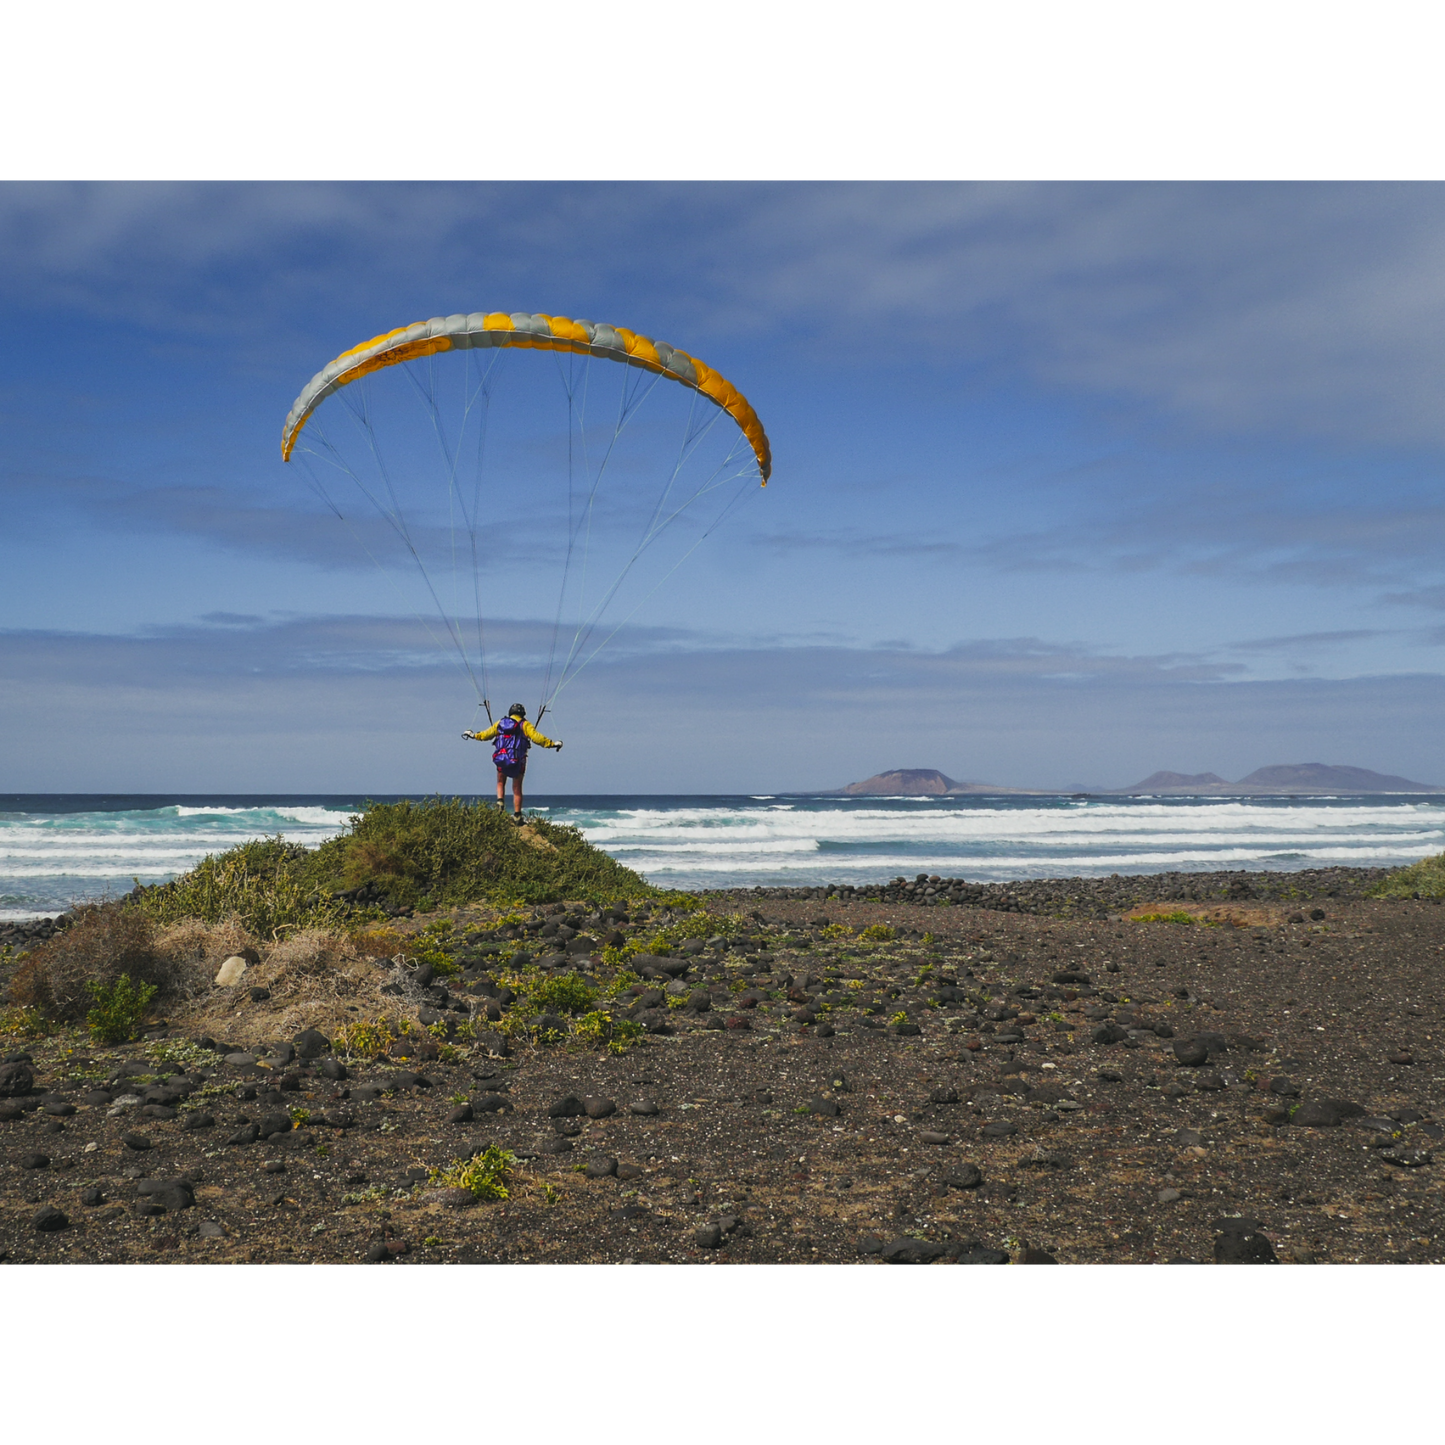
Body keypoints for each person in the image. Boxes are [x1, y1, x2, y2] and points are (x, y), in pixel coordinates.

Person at [463, 704, 562, 819]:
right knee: (517, 788)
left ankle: (500, 802)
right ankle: (517, 815)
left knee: (500, 782)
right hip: (518, 760)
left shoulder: (500, 723)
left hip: (502, 758)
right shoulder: (525, 724)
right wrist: (552, 744)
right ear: (523, 714)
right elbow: (537, 738)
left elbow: (486, 734)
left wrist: (474, 735)